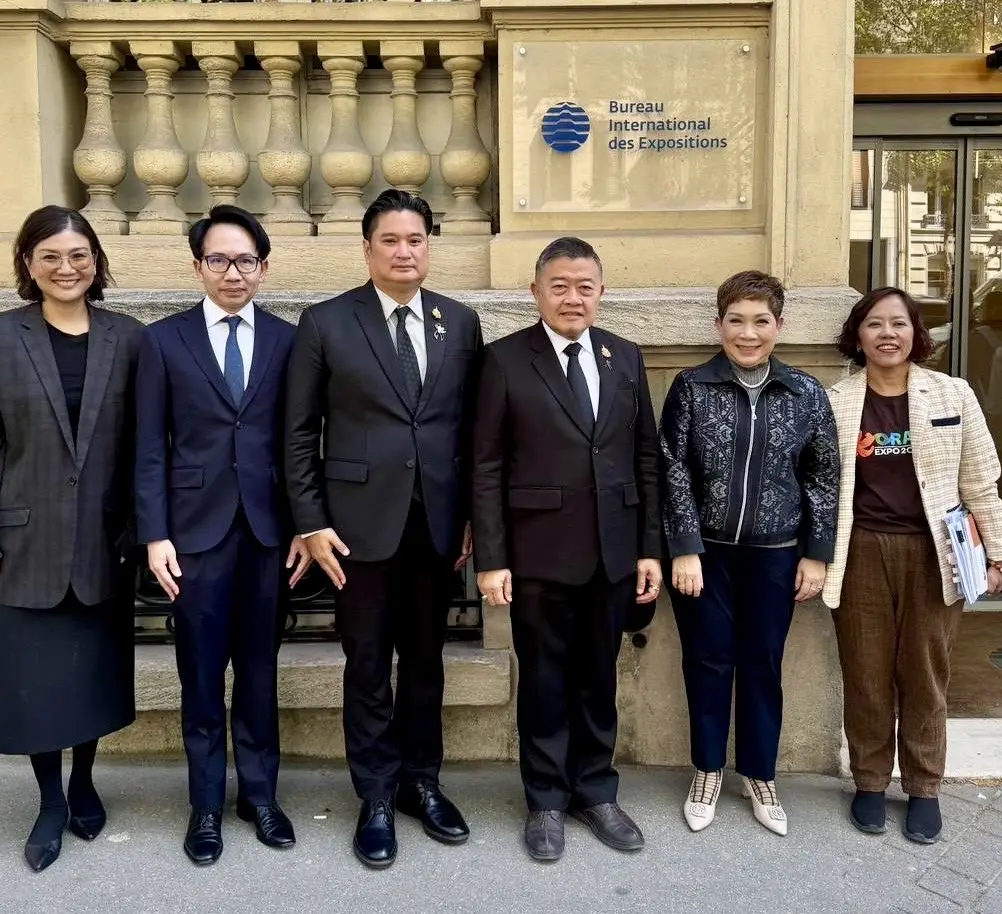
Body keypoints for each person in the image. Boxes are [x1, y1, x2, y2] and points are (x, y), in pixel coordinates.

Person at [284, 189, 482, 869]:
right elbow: (298, 432)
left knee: (427, 662)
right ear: (367, 248)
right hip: (356, 530)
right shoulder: (326, 322)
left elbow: (469, 432)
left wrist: (470, 518)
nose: (404, 252)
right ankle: (374, 794)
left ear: (429, 246)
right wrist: (311, 521)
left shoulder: (459, 322)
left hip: (435, 526)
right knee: (367, 664)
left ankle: (421, 783)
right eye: (390, 241)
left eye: (415, 239)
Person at [0, 205, 143, 872]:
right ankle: (51, 801)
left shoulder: (129, 338)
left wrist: (140, 532)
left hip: (104, 542)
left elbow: (142, 447)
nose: (67, 267)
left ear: (96, 261)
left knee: (90, 675)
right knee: (35, 680)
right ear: (28, 264)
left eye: (79, 255)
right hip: (22, 542)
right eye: (51, 256)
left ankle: (84, 781)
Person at [472, 236, 663, 862]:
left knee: (597, 679)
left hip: (614, 551)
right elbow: (486, 466)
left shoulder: (624, 357)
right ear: (536, 292)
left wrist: (649, 549)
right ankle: (546, 801)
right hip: (538, 554)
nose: (572, 297)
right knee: (545, 681)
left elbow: (645, 458)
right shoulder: (504, 360)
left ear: (602, 293)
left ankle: (596, 792)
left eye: (585, 287)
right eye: (559, 286)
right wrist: (493, 559)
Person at [134, 204, 308, 865]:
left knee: (260, 673)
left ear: (263, 268)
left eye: (245, 261)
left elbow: (301, 443)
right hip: (193, 537)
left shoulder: (289, 341)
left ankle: (259, 797)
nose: (232, 272)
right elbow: (149, 446)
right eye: (218, 260)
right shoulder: (163, 341)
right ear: (197, 266)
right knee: (201, 678)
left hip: (268, 534)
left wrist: (304, 525)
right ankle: (205, 804)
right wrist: (155, 534)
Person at [823, 286, 1002, 844]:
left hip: (937, 551)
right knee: (865, 672)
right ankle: (869, 780)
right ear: (858, 336)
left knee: (925, 672)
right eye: (874, 324)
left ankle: (924, 786)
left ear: (915, 333)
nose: (887, 333)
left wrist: (998, 554)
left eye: (899, 323)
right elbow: (820, 487)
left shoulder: (952, 393)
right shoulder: (836, 401)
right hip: (860, 552)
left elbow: (980, 479)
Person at [660, 270, 840, 837]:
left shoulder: (806, 393)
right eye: (736, 320)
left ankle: (760, 775)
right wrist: (684, 547)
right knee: (707, 661)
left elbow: (823, 476)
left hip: (776, 556)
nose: (748, 333)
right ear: (719, 325)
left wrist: (816, 554)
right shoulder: (692, 387)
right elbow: (672, 470)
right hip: (706, 557)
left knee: (763, 663)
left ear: (779, 326)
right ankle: (708, 769)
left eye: (761, 321)